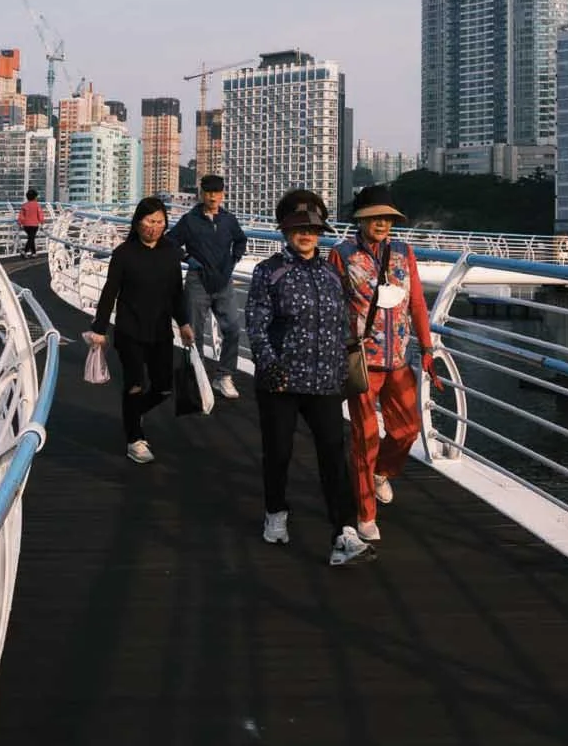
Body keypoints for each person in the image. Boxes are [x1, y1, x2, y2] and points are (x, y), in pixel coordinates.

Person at [245, 190, 370, 567]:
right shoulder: (268, 271)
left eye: (313, 229)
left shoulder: (332, 273)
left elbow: (344, 321)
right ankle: (276, 513)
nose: (307, 235)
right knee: (279, 453)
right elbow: (256, 323)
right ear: (285, 231)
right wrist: (269, 363)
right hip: (280, 381)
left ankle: (343, 533)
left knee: (334, 455)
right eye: (299, 228)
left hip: (325, 382)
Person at [331, 185, 434, 542]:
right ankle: (365, 515)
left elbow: (417, 302)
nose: (382, 223)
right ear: (360, 220)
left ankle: (382, 473)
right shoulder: (342, 254)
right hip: (361, 360)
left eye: (387, 217)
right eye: (375, 217)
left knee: (407, 429)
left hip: (399, 360)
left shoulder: (404, 252)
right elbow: (332, 306)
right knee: (364, 438)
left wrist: (428, 348)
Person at [84, 196, 194, 464]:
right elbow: (110, 292)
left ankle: (134, 413)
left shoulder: (170, 252)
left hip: (160, 331)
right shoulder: (124, 253)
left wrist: (184, 323)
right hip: (130, 329)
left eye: (159, 222)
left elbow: (176, 293)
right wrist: (99, 329)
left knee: (163, 387)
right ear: (137, 222)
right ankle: (135, 438)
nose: (154, 227)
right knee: (134, 384)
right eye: (149, 221)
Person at [168, 174, 247, 400]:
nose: (213, 196)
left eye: (217, 192)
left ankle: (224, 376)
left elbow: (240, 240)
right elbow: (171, 241)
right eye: (208, 192)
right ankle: (198, 377)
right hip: (197, 282)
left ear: (223, 194)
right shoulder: (189, 220)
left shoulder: (229, 220)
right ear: (201, 194)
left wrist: (235, 259)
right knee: (193, 333)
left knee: (232, 329)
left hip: (224, 283)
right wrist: (187, 258)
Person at [17, 187, 46, 256]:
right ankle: (25, 251)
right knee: (31, 238)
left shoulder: (24, 205)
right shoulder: (37, 205)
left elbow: (21, 215)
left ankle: (34, 253)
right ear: (35, 197)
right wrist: (42, 222)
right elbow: (40, 215)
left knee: (31, 238)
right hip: (34, 225)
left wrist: (20, 223)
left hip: (26, 225)